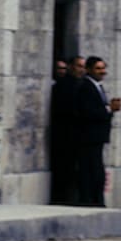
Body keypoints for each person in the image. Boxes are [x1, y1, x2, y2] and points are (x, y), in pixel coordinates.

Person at [76, 55, 120, 207]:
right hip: (88, 137)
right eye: (98, 68)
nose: (102, 72)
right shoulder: (85, 87)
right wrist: (108, 109)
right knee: (90, 171)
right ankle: (90, 201)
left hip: (96, 137)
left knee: (96, 171)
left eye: (103, 68)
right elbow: (87, 112)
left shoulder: (97, 86)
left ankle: (97, 200)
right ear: (88, 70)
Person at [50, 56, 83, 204]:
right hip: (66, 135)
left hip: (77, 136)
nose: (81, 69)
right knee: (64, 170)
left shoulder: (81, 84)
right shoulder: (64, 85)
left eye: (83, 66)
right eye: (78, 66)